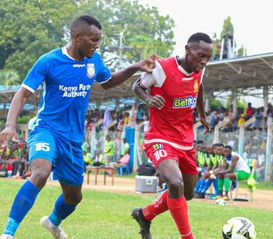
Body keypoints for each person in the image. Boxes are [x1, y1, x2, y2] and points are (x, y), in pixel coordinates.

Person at [0, 15, 156, 239]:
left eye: (99, 40)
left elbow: (108, 83)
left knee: (74, 197)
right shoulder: (49, 61)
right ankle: (8, 233)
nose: (97, 44)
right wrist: (10, 124)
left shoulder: (94, 62)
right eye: (93, 39)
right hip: (47, 130)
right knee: (40, 173)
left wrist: (135, 67)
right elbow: (22, 93)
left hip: (73, 139)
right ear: (77, 37)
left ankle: (52, 223)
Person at [131, 32, 212, 239]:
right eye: (200, 55)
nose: (203, 61)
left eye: (207, 57)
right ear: (187, 50)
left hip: (185, 141)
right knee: (175, 183)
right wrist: (148, 99)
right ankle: (187, 237)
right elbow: (137, 86)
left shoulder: (199, 70)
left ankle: (145, 214)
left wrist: (202, 115)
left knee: (188, 193)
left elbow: (198, 87)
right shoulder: (162, 68)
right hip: (159, 138)